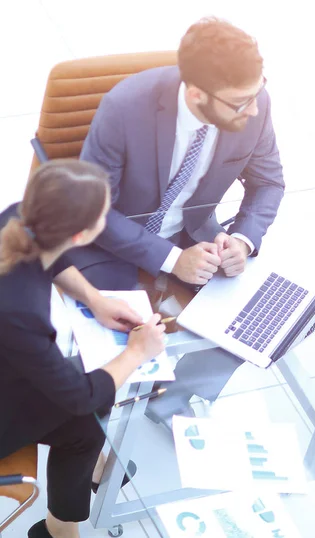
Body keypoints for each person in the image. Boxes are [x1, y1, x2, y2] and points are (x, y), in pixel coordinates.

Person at [70, 17, 285, 429]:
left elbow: (269, 182)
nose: (254, 108)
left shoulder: (256, 103)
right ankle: (100, 430)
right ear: (197, 93)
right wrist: (171, 259)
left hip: (195, 232)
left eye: (256, 93)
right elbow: (91, 213)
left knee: (251, 322)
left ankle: (174, 402)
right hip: (110, 241)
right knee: (118, 341)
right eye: (241, 102)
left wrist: (241, 239)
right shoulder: (124, 107)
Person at [0, 160, 166, 538]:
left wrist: (94, 299)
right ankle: (63, 528)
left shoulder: (17, 217)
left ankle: (76, 496)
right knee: (87, 413)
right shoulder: (18, 310)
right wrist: (137, 351)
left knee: (89, 404)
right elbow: (79, 397)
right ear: (79, 235)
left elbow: (50, 256)